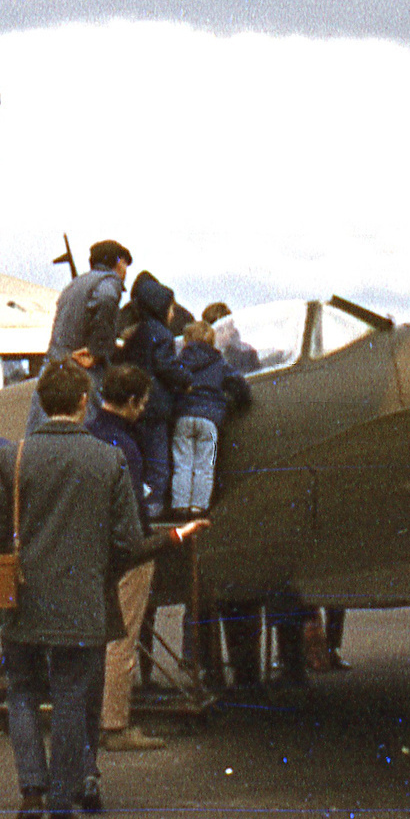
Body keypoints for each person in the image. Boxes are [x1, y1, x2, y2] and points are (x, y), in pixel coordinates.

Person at [0, 361, 208, 819]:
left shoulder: (11, 458)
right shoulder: (108, 460)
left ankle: (31, 791)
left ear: (42, 401)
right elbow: (127, 545)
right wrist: (176, 538)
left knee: (21, 693)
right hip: (84, 603)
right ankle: (62, 803)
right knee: (70, 697)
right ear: (83, 402)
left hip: (22, 600)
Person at [87, 364, 166, 757]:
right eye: (144, 401)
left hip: (88, 550)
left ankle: (93, 717)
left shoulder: (88, 434)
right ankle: (115, 723)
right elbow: (131, 506)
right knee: (123, 638)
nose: (145, 408)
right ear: (132, 401)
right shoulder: (127, 446)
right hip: (125, 552)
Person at [28, 239, 132, 431]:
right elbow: (106, 299)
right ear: (118, 262)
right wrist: (98, 351)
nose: (126, 270)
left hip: (53, 367)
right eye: (125, 263)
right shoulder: (109, 282)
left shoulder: (74, 285)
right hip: (81, 372)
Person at [119, 272, 191, 519]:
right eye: (170, 309)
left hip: (140, 406)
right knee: (158, 462)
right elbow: (165, 365)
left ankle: (141, 505)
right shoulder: (162, 334)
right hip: (157, 408)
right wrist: (185, 379)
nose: (173, 314)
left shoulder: (139, 333)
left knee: (143, 459)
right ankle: (154, 508)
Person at [171, 321, 251, 514]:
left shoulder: (180, 361)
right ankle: (199, 506)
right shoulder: (219, 362)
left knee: (182, 463)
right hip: (210, 419)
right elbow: (239, 385)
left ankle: (180, 506)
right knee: (205, 465)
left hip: (184, 417)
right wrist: (239, 401)